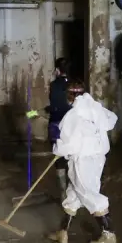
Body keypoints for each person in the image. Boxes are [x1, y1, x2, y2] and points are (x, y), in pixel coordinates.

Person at [50, 81, 119, 243]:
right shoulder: (96, 108)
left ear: (69, 96)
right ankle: (62, 232)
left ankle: (109, 233)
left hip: (82, 160)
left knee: (88, 193)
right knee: (74, 193)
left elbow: (69, 144)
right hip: (98, 158)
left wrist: (57, 149)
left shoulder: (72, 116)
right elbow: (112, 120)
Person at [45, 58, 72, 195]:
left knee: (59, 157)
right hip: (72, 126)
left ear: (57, 70)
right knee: (72, 157)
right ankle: (73, 193)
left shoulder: (54, 85)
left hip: (56, 125)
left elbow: (55, 106)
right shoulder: (75, 84)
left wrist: (45, 110)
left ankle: (63, 193)